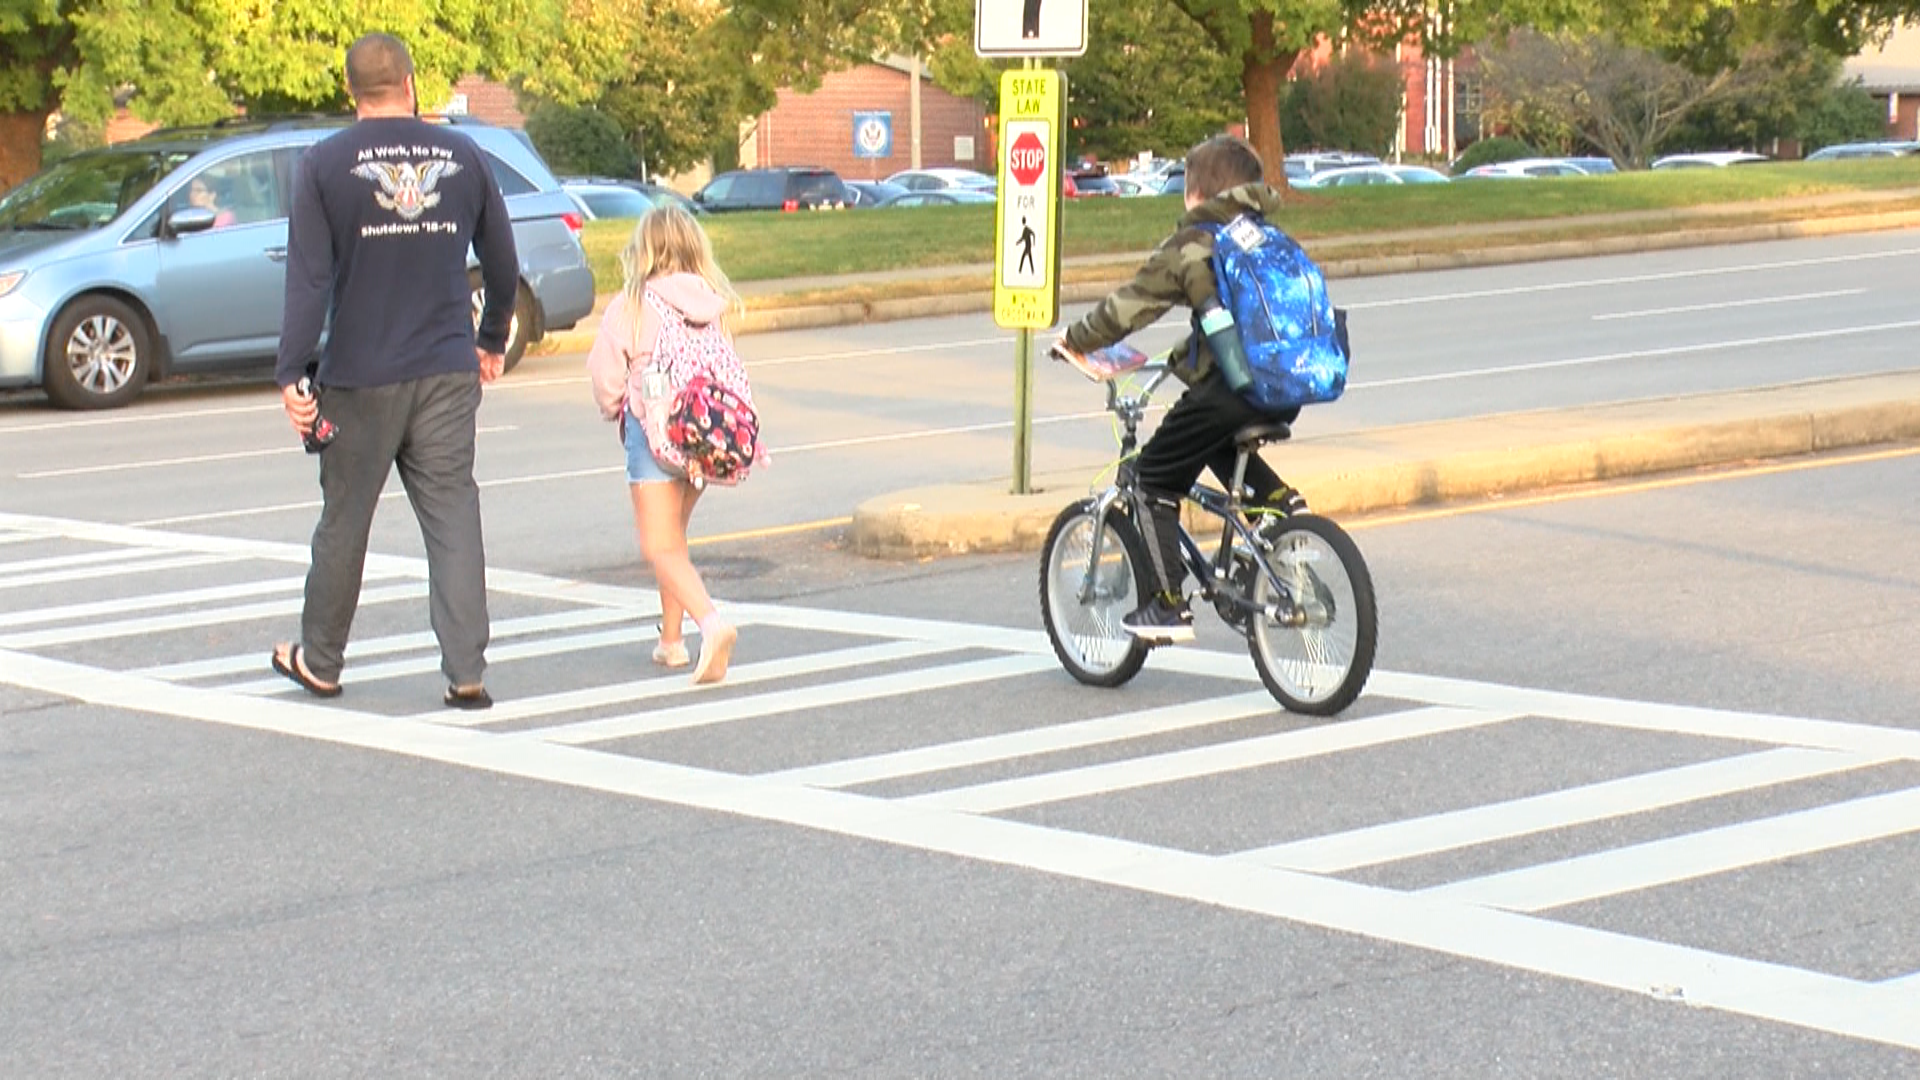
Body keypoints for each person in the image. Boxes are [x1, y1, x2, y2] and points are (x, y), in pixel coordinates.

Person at [269, 31, 519, 710]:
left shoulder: (323, 165)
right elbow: (502, 264)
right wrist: (491, 337)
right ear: (409, 83)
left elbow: (308, 281)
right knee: (453, 515)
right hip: (445, 365)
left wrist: (293, 373)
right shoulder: (463, 156)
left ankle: (320, 660)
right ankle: (466, 671)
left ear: (352, 93)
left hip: (359, 374)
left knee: (345, 520)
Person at [1051, 134, 1308, 644]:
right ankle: (1280, 503)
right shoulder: (1263, 234)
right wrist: (1179, 359)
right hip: (1288, 384)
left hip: (1229, 393)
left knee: (1151, 479)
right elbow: (1231, 322)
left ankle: (1165, 604)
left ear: (1194, 191)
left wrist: (1075, 340)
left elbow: (1130, 306)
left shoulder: (1194, 241)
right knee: (1207, 440)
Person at [586, 206, 741, 685]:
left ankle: (711, 624)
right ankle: (670, 642)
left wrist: (615, 407)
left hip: (652, 435)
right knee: (674, 539)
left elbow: (605, 375)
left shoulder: (633, 303)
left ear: (643, 251)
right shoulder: (709, 301)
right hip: (702, 436)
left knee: (658, 545)